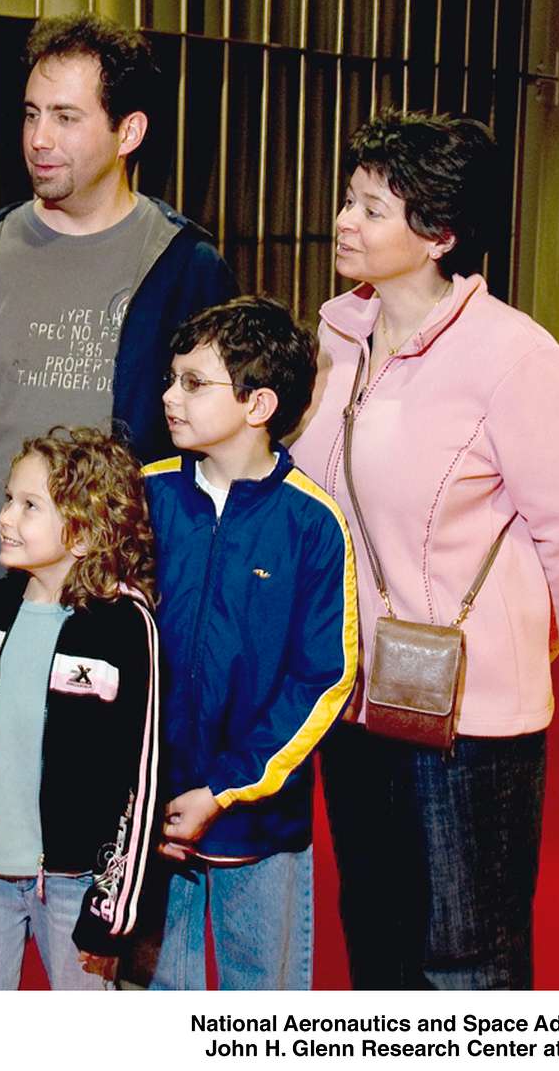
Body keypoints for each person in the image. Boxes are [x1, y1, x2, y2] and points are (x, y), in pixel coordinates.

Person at [289, 108, 559, 989]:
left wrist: (512, 648)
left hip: (467, 713)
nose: (344, 222)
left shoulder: (516, 358)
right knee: (378, 929)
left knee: (468, 952)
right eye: (347, 202)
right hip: (354, 694)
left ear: (438, 234)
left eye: (370, 209)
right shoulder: (335, 339)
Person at [0, 12, 234, 715]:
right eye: (31, 113)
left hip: (114, 634)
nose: (38, 139)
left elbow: (218, 466)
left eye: (65, 117)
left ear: (130, 132)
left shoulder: (185, 268)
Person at [128, 297, 356, 990]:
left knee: (264, 991)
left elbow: (323, 678)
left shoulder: (312, 523)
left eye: (194, 383)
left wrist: (225, 790)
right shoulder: (145, 497)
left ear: (258, 404)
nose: (170, 396)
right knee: (157, 987)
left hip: (258, 818)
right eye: (171, 379)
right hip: (152, 810)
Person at [0, 427, 160, 989]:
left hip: (74, 882)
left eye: (30, 506)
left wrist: (116, 903)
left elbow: (142, 776)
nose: (6, 517)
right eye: (9, 499)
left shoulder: (122, 626)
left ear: (84, 531)